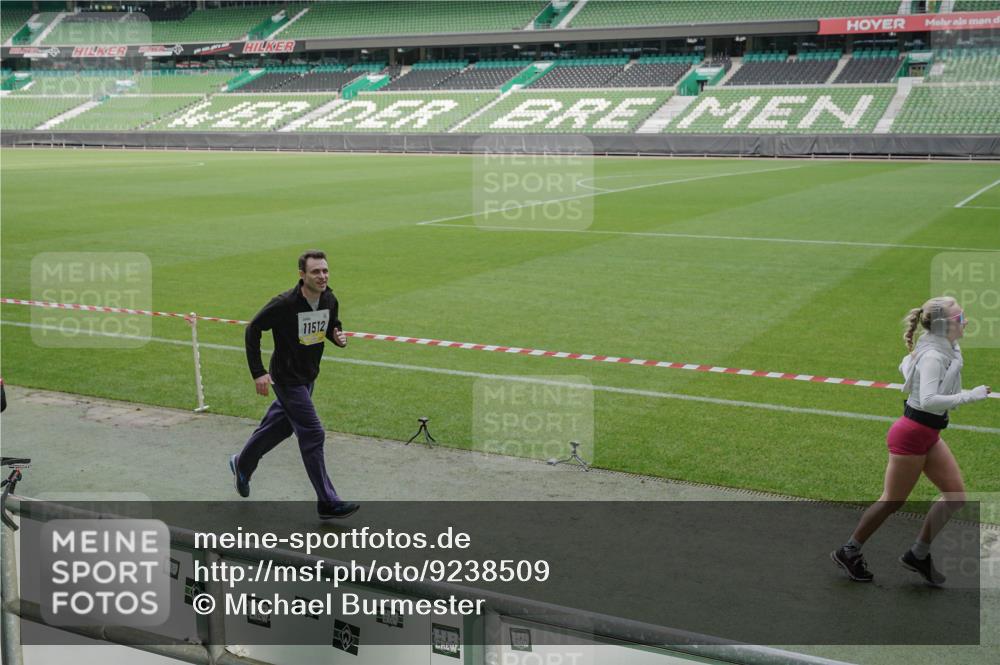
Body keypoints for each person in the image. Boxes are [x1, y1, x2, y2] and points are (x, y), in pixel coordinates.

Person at [831, 296, 991, 585]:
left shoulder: (942, 347)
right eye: (960, 318)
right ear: (944, 326)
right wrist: (971, 395)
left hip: (928, 433)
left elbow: (908, 367)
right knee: (892, 500)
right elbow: (929, 400)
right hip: (912, 435)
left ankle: (918, 553)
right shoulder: (934, 355)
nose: (965, 321)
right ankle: (849, 550)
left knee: (955, 497)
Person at [230, 250, 359, 519]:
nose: (322, 276)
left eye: (325, 271)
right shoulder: (284, 304)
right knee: (313, 432)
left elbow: (330, 326)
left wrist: (338, 337)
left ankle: (242, 463)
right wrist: (258, 372)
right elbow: (253, 328)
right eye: (316, 272)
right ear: (302, 275)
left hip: (308, 375)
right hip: (286, 378)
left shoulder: (329, 298)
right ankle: (327, 501)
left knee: (280, 427)